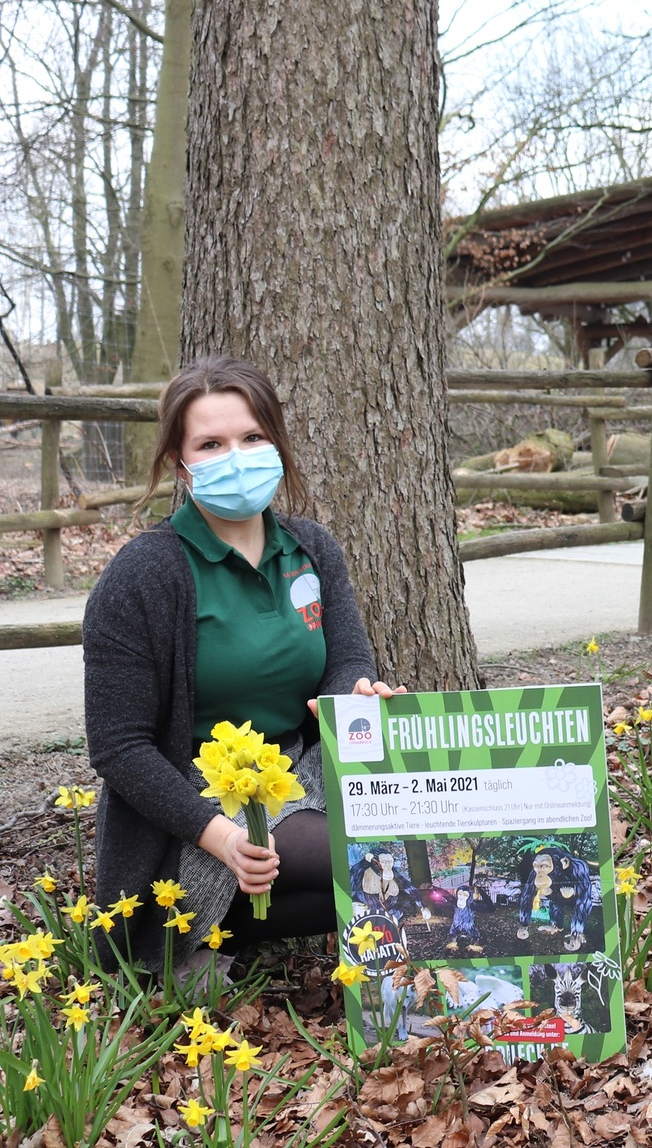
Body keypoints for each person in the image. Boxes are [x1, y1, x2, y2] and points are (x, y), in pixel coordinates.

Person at [83, 357, 402, 973]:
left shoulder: (312, 550)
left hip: (297, 774)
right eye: (211, 444)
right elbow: (119, 748)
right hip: (191, 812)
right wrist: (222, 836)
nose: (237, 455)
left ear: (276, 443)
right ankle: (187, 941)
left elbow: (347, 660)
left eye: (252, 438)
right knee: (374, 862)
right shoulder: (143, 575)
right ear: (182, 465)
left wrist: (352, 694)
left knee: (402, 851)